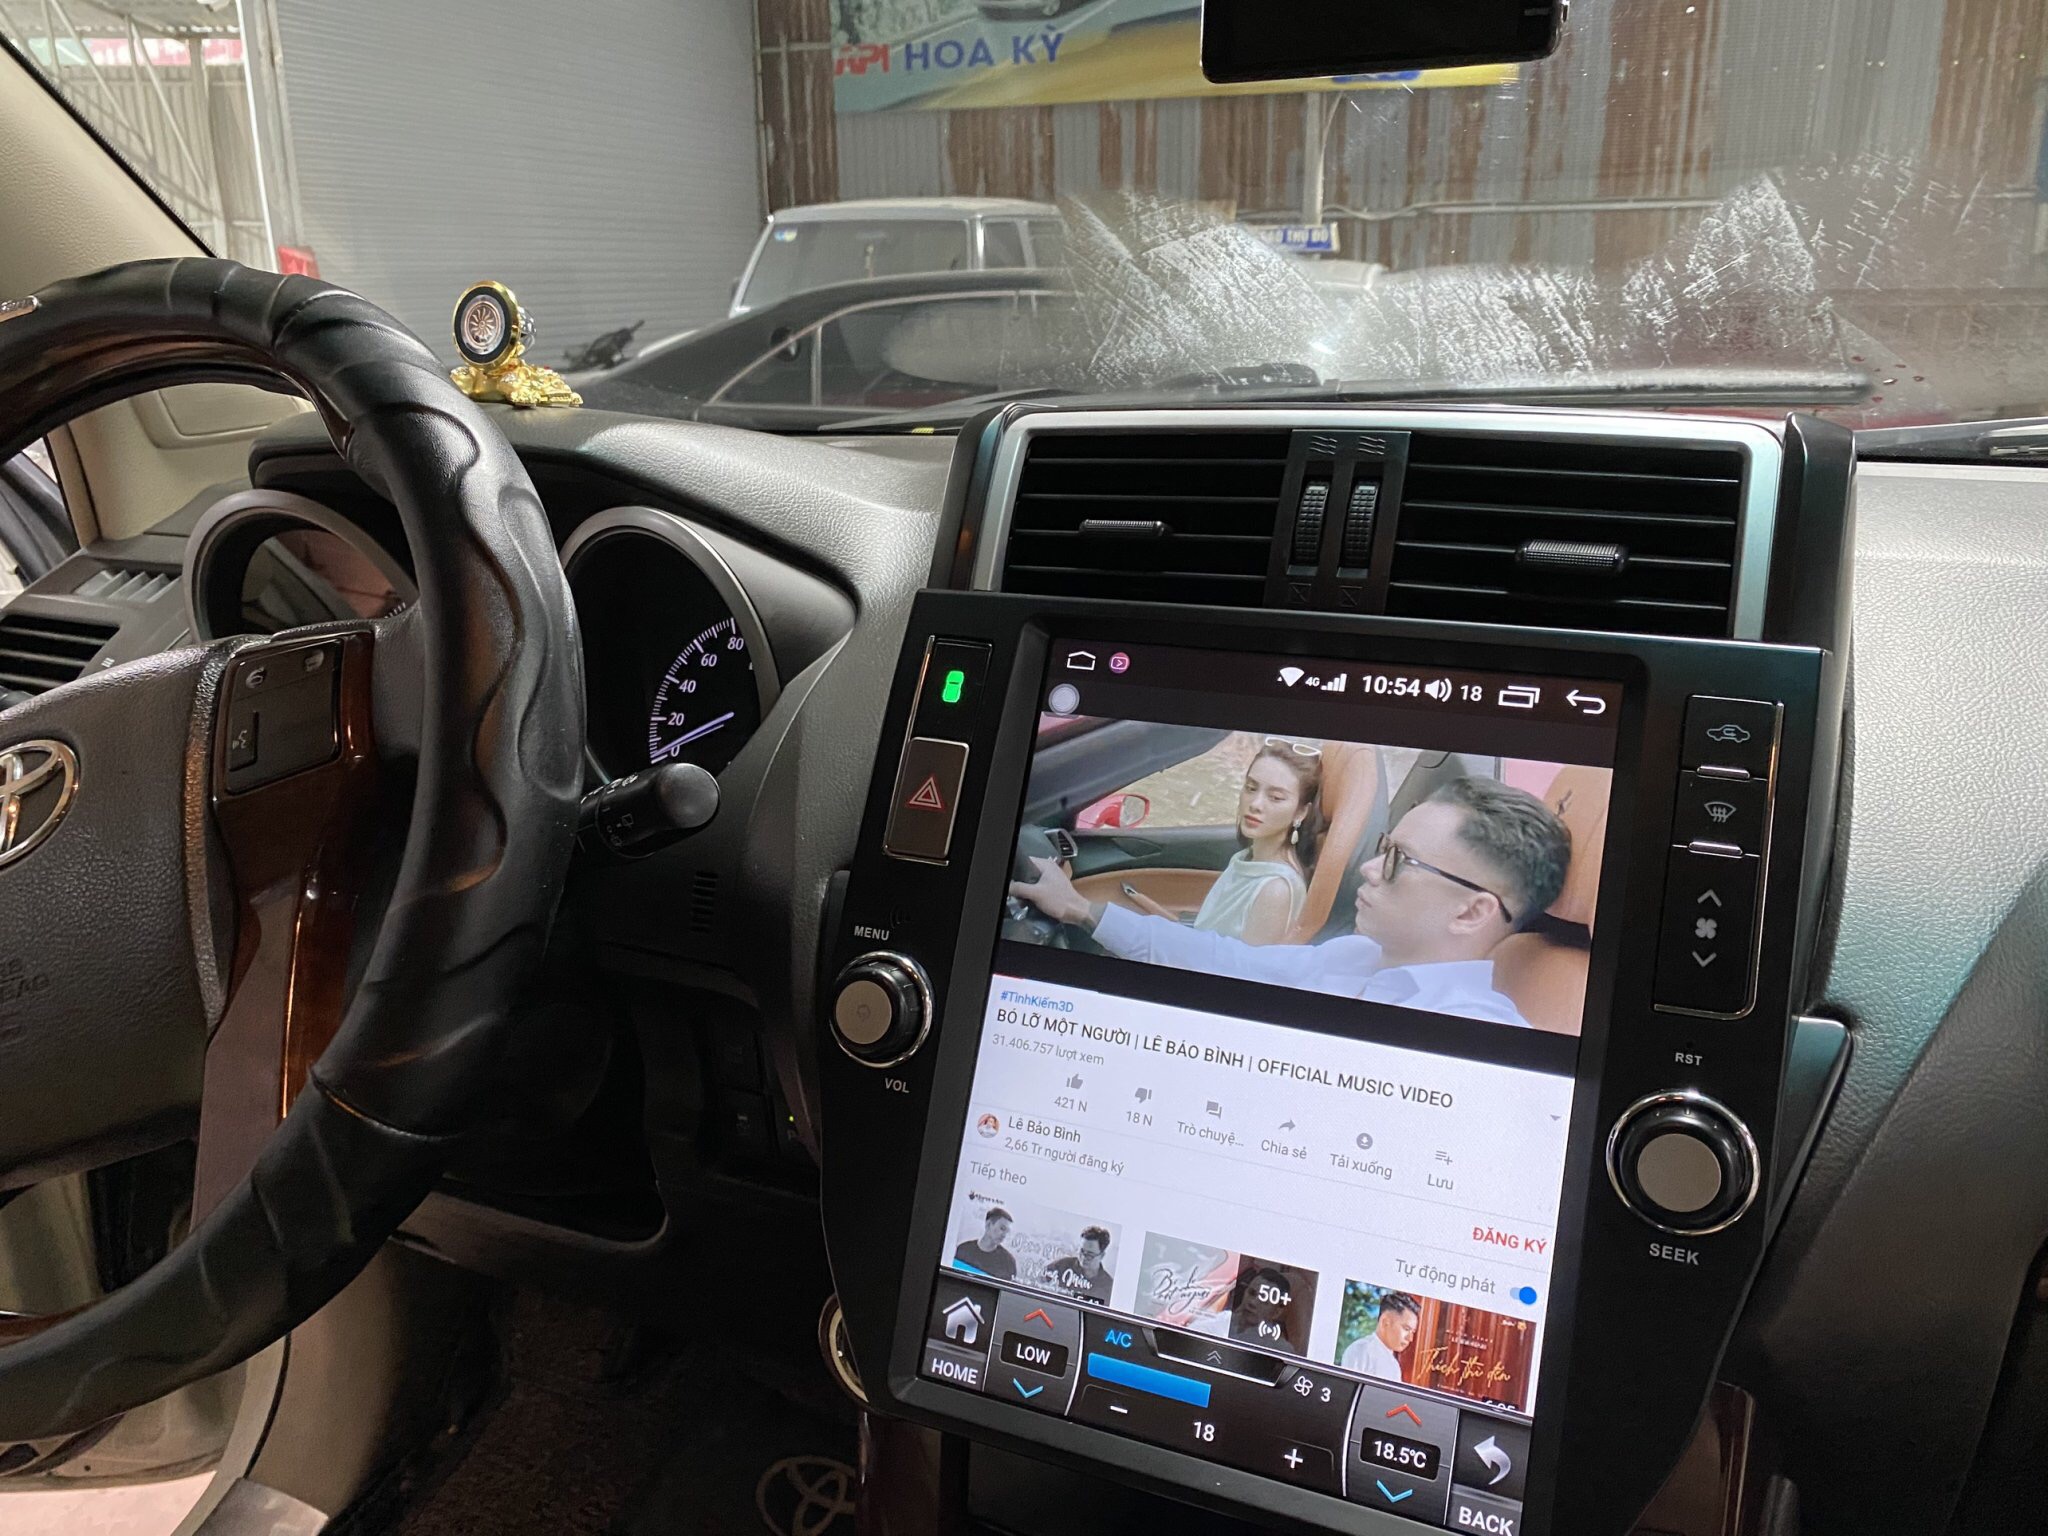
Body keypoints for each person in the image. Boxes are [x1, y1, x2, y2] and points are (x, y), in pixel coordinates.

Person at [1011, 776, 1570, 1029]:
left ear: (1471, 911)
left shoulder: (1474, 1032)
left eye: (1400, 860)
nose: (1370, 868)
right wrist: (1082, 910)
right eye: (1383, 848)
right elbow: (1230, 962)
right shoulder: (1355, 957)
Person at [1159, 740, 1323, 945]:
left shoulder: (1276, 890)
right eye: (1251, 788)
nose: (1255, 804)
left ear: (1301, 812)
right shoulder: (1248, 857)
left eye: (1275, 797)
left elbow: (1245, 964)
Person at [1342, 1292, 1421, 1379]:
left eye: (1413, 1332)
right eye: (1406, 1329)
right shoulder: (1360, 1351)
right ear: (1385, 1322)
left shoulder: (1395, 1366)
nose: (1410, 1338)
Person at [1042, 1225, 1114, 1304]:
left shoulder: (1108, 1287)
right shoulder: (1061, 1266)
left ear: (1102, 1255)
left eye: (1090, 1255)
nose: (1083, 1257)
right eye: (1082, 1251)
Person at [952, 1207, 1019, 1281]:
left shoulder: (1008, 1262)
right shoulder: (963, 1249)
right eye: (1002, 1228)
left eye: (1007, 1232)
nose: (1004, 1235)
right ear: (988, 1225)